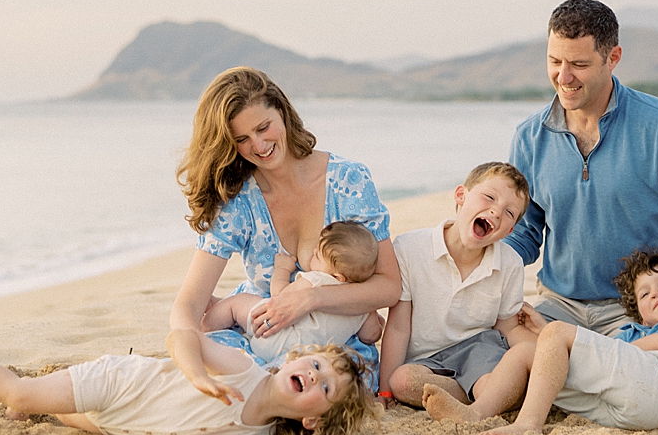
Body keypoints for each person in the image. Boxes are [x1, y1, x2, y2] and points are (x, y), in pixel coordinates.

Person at [503, 0, 658, 362]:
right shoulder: (529, 138)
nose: (563, 77)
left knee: (627, 377)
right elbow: (523, 233)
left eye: (579, 64)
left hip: (644, 311)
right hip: (560, 308)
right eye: (555, 61)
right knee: (496, 356)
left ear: (613, 58)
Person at [169, 67, 400, 387]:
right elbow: (189, 304)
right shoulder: (239, 202)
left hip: (333, 352)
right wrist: (194, 367)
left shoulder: (349, 181)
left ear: (282, 111)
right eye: (242, 139)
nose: (259, 145)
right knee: (231, 377)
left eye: (264, 127)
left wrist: (310, 299)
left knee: (307, 389)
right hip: (261, 341)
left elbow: (389, 286)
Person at [0, 330, 376, 435]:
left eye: (326, 386)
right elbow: (181, 337)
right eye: (314, 364)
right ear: (294, 361)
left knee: (56, 414)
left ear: (314, 420)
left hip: (121, 425)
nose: (313, 375)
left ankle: (47, 392)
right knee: (20, 397)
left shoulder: (259, 434)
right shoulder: (243, 370)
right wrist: (195, 373)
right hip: (122, 383)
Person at [469, 247, 658, 435]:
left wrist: (557, 333)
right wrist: (545, 332)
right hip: (627, 412)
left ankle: (528, 423)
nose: (656, 292)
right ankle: (476, 413)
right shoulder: (632, 333)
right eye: (645, 293)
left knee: (559, 333)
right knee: (529, 353)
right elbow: (588, 361)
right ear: (640, 314)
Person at [379, 162, 536, 411]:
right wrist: (384, 390)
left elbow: (506, 326)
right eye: (489, 197)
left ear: (510, 230)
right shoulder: (410, 248)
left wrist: (540, 348)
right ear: (461, 195)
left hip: (479, 351)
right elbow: (398, 327)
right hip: (425, 361)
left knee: (493, 384)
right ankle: (471, 400)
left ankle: (483, 396)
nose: (496, 211)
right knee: (401, 382)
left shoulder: (509, 263)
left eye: (509, 213)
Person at [202, 220, 386, 361]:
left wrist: (283, 269)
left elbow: (280, 297)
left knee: (237, 303)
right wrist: (377, 322)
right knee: (247, 304)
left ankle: (204, 328)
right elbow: (370, 336)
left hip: (272, 338)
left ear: (338, 277)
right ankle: (219, 306)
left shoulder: (316, 280)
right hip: (304, 357)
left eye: (316, 256)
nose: (312, 253)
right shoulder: (362, 304)